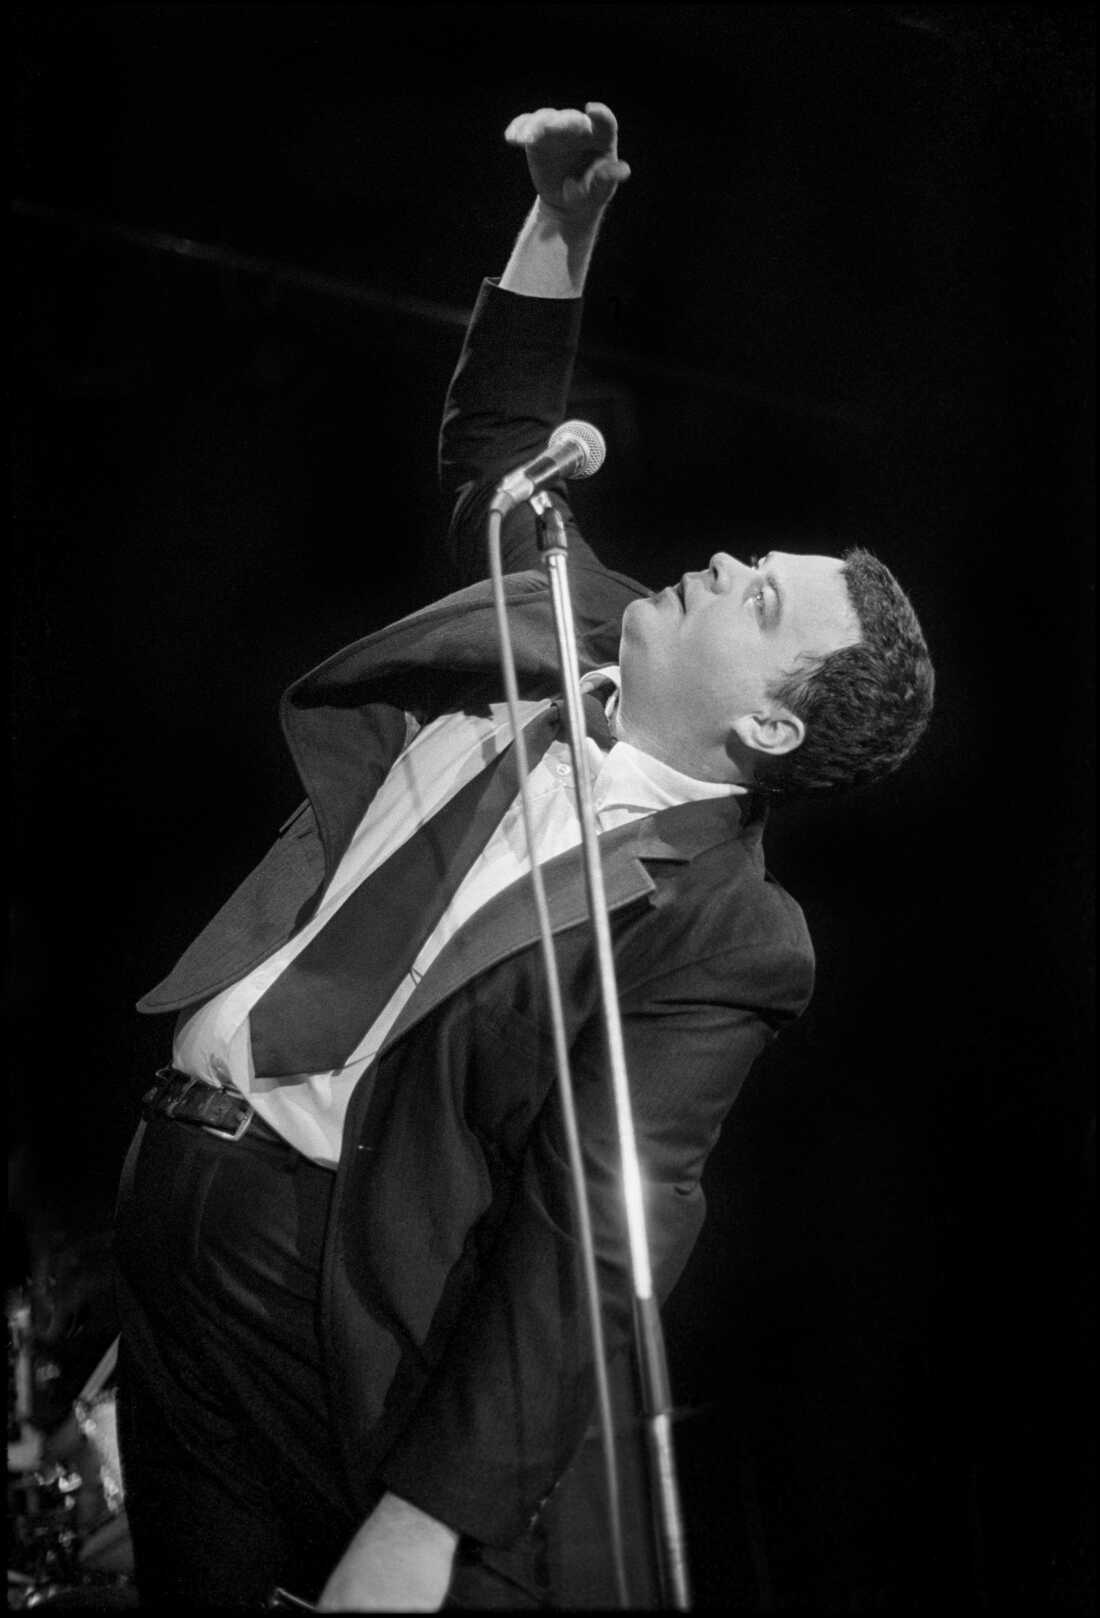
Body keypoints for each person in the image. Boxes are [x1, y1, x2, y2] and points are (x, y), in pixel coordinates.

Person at [112, 103, 934, 1611]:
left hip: (314, 1282)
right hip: (171, 1180)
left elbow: (588, 1242)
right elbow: (498, 450)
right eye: (763, 560)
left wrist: (428, 1518)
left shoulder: (729, 935)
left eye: (765, 604)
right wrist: (562, 229)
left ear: (766, 728)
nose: (732, 564)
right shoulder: (558, 630)